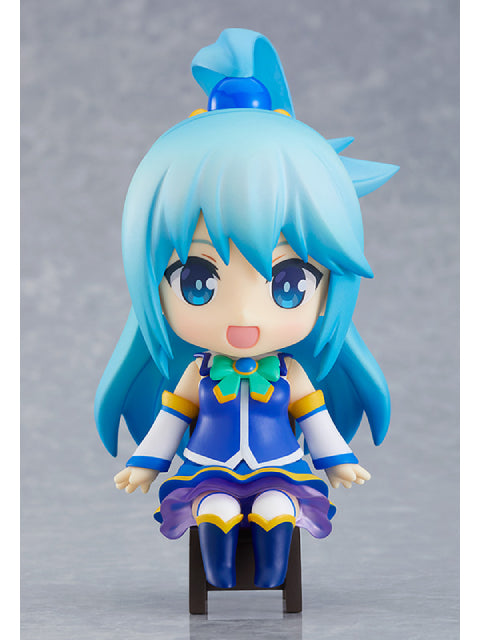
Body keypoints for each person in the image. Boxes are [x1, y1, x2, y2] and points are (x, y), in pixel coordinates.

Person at [95, 28, 398, 590]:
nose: (243, 317)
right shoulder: (198, 374)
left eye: (288, 283)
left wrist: (337, 459)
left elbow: (315, 420)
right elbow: (170, 421)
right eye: (197, 281)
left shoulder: (291, 373)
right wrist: (146, 462)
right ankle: (219, 575)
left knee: (277, 509)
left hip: (279, 471)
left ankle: (272, 573)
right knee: (214, 511)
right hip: (207, 472)